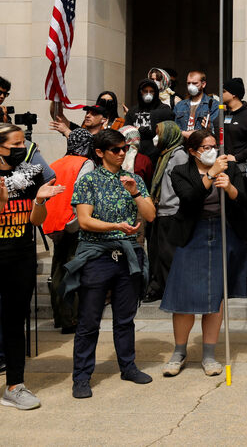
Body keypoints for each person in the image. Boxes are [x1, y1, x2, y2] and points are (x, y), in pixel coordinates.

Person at [66, 128, 156, 399]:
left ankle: (128, 366)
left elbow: (150, 215)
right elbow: (84, 220)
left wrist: (135, 194)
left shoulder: (134, 180)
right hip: (97, 254)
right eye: (115, 149)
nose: (121, 153)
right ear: (100, 152)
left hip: (128, 254)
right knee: (89, 320)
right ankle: (81, 376)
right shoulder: (89, 181)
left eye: (124, 149)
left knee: (125, 318)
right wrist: (115, 226)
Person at [160, 129, 247, 377]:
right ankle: (179, 351)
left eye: (214, 146)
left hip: (222, 232)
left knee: (215, 298)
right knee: (184, 299)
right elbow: (189, 198)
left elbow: (242, 200)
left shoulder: (229, 168)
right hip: (192, 234)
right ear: (192, 151)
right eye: (205, 148)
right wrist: (210, 175)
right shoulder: (180, 172)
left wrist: (229, 187)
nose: (212, 151)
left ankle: (209, 354)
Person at [0, 123, 65, 410]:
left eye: (22, 144)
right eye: (14, 146)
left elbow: (36, 221)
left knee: (15, 323)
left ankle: (15, 385)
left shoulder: (24, 175)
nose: (21, 150)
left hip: (21, 256)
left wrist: (39, 200)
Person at [42, 129, 96, 333]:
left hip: (55, 225)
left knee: (58, 270)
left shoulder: (56, 163)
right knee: (72, 271)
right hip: (73, 224)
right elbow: (81, 194)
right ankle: (71, 319)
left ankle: (60, 317)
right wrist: (78, 222)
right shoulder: (85, 163)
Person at [143, 121, 187, 303]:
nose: (156, 137)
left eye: (158, 133)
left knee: (169, 256)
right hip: (160, 211)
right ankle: (161, 288)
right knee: (158, 254)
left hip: (172, 213)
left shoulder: (179, 156)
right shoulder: (164, 155)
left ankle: (175, 293)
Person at [220, 77, 247, 168]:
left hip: (242, 166)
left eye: (224, 91)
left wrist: (237, 157)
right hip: (224, 164)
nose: (221, 94)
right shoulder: (224, 114)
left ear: (234, 94)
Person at [172, 71, 219, 138]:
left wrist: (208, 128)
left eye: (194, 83)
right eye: (188, 83)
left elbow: (215, 131)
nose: (191, 86)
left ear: (203, 84)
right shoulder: (180, 105)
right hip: (183, 145)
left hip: (202, 144)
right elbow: (174, 128)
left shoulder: (213, 104)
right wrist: (184, 133)